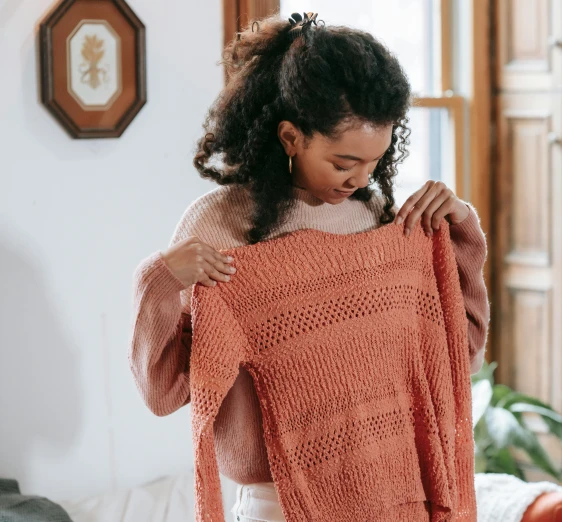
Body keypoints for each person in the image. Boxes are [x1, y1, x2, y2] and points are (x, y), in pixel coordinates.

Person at [129, 13, 489, 522]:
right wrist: (160, 279)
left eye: (375, 161)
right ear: (291, 136)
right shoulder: (220, 226)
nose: (359, 178)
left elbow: (458, 357)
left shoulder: (380, 218)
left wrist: (462, 230)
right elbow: (165, 390)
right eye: (343, 163)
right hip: (280, 503)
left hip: (398, 495)